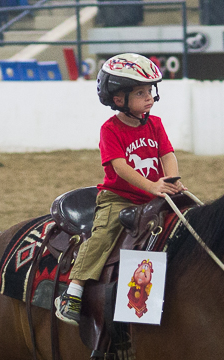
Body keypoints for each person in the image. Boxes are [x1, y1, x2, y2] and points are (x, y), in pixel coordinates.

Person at [54, 53, 185, 324]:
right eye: (140, 93)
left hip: (154, 194)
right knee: (103, 235)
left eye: (149, 91)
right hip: (119, 198)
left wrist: (171, 180)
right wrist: (153, 186)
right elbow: (120, 167)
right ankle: (73, 291)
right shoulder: (110, 130)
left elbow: (167, 154)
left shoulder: (155, 124)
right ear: (118, 99)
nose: (149, 98)